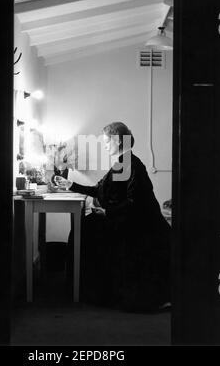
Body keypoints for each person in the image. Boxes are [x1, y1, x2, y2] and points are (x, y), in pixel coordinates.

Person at [56, 122, 171, 312]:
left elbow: (133, 203)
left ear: (118, 140)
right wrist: (71, 185)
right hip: (128, 218)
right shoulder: (124, 162)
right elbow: (104, 191)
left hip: (134, 224)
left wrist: (108, 212)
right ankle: (82, 288)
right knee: (86, 225)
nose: (105, 145)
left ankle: (89, 290)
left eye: (107, 141)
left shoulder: (126, 164)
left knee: (85, 228)